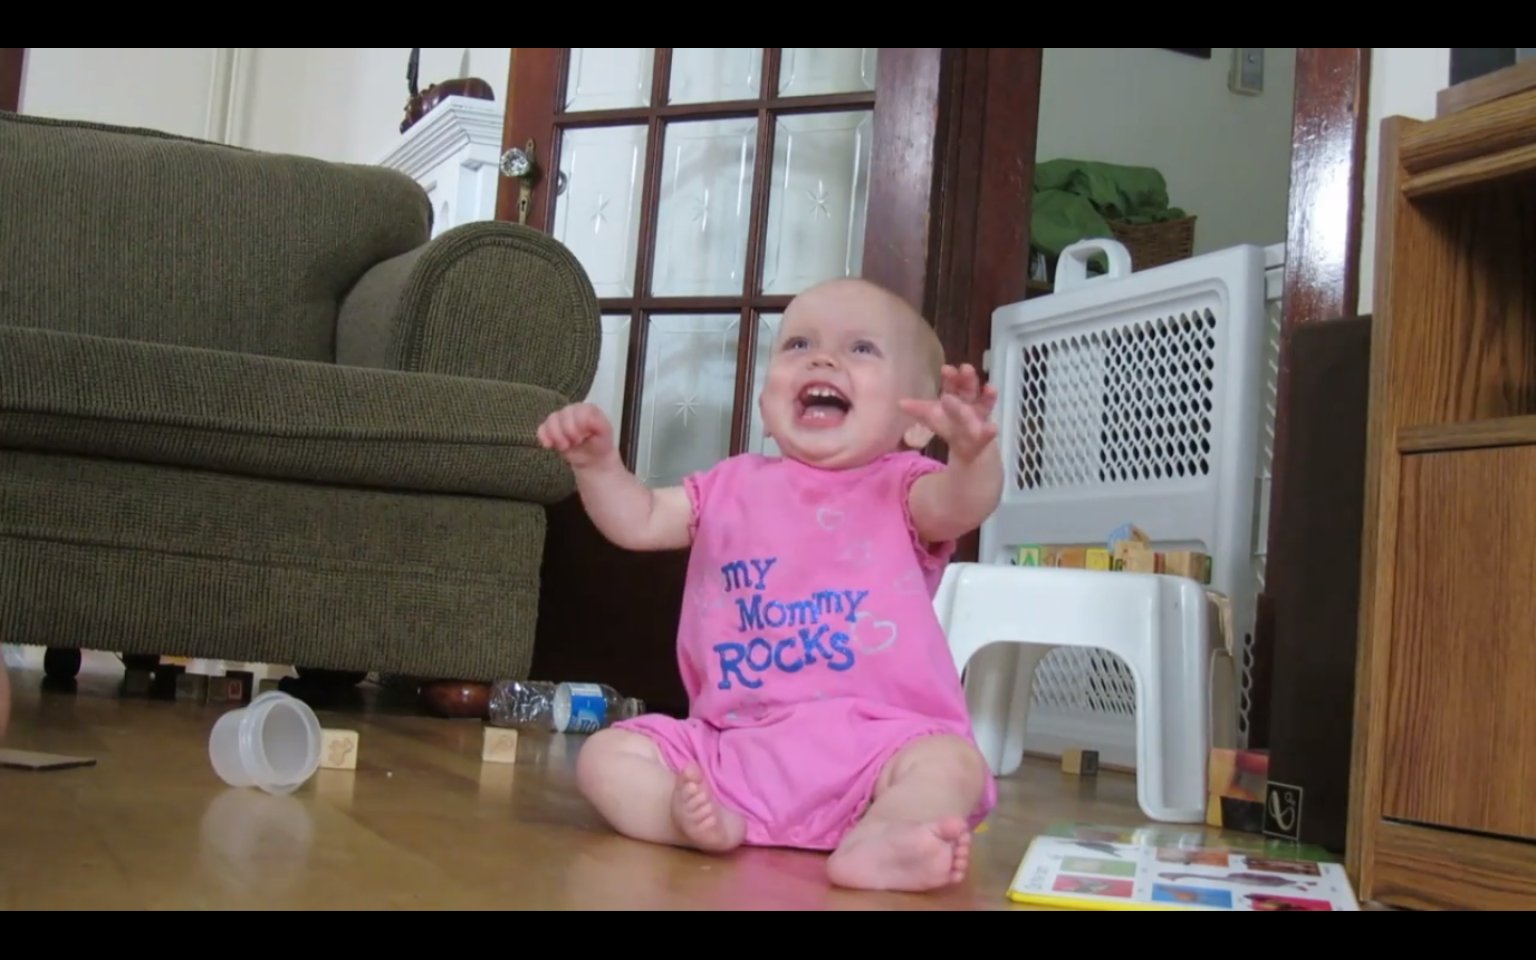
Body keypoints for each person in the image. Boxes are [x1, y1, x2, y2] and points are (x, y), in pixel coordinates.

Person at [536, 277, 1002, 892]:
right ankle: (687, 820)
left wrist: (971, 457)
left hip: (877, 748)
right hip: (734, 748)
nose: (823, 358)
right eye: (798, 344)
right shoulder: (730, 485)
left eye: (862, 349)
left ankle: (883, 835)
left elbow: (962, 506)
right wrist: (598, 466)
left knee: (951, 763)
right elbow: (640, 521)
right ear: (766, 401)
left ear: (916, 424)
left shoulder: (905, 486)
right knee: (605, 756)